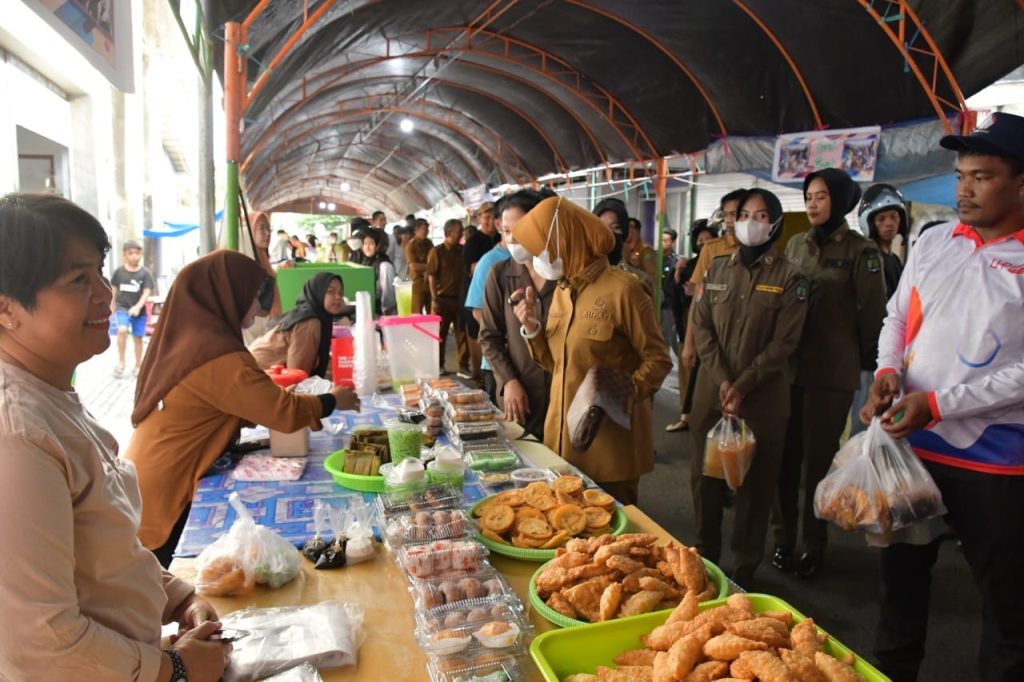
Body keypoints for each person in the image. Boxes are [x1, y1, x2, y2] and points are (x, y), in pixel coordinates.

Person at [0, 193, 230, 681]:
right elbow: (41, 642)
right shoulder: (16, 436)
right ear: (6, 310)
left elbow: (108, 553)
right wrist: (176, 669)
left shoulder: (52, 397)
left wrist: (180, 598)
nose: (106, 293)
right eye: (77, 280)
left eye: (100, 273)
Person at [863, 112, 1024, 682]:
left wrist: (939, 403)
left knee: (1006, 604)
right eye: (960, 175)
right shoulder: (934, 243)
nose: (963, 188)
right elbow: (896, 317)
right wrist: (887, 369)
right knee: (900, 585)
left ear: (1022, 183)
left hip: (998, 462)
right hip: (914, 451)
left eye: (981, 176)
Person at [125, 251, 360, 567]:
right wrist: (332, 400)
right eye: (252, 294)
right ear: (226, 294)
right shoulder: (215, 355)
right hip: (164, 491)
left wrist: (287, 404)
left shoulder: (193, 342)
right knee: (160, 588)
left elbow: (238, 404)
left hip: (149, 478)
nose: (258, 305)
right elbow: (283, 413)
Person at [512, 196, 672, 505]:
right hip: (560, 447)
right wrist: (532, 329)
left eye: (544, 248)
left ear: (567, 241)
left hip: (609, 451)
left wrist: (617, 396)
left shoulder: (624, 289)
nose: (538, 260)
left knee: (609, 542)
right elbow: (556, 365)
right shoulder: (562, 291)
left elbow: (658, 358)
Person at [770, 168, 887, 578]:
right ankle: (782, 539)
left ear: (840, 200)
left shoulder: (861, 251)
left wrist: (872, 368)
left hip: (832, 374)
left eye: (821, 196)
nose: (813, 203)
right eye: (809, 196)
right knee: (785, 458)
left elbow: (874, 315)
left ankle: (812, 545)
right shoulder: (795, 245)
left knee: (817, 463)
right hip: (789, 371)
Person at [688, 189, 808, 586]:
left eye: (760, 215)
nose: (749, 222)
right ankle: (703, 558)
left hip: (764, 399)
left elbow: (785, 344)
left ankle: (743, 568)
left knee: (756, 486)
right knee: (705, 478)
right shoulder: (717, 269)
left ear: (774, 224)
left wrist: (742, 384)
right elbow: (702, 326)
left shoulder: (791, 277)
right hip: (712, 392)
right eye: (743, 214)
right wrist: (724, 380)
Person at [480, 189, 557, 438]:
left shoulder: (563, 276)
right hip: (519, 396)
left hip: (560, 393)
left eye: (519, 230)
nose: (512, 239)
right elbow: (489, 337)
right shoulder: (500, 274)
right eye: (506, 231)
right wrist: (509, 381)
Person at [668, 189, 747, 431]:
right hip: (712, 338)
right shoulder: (712, 249)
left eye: (738, 214)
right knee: (705, 413)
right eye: (728, 214)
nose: (732, 220)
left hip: (745, 340)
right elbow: (698, 298)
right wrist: (690, 342)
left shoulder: (761, 251)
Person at [848, 184, 911, 436]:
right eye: (881, 218)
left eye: (894, 217)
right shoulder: (867, 257)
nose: (889, 224)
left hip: (888, 356)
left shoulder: (894, 260)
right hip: (868, 357)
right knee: (863, 425)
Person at [248, 272, 345, 377]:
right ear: (317, 292)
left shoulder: (308, 315)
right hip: (253, 378)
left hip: (254, 374)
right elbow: (297, 377)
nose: (338, 297)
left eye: (340, 293)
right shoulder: (309, 323)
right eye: (330, 292)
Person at [465, 204, 511, 401]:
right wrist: (505, 338)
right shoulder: (490, 261)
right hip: (498, 360)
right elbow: (477, 310)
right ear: (500, 225)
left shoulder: (536, 260)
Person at [462, 202, 499, 381]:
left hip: (496, 294)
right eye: (487, 217)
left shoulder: (499, 238)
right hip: (475, 293)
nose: (491, 222)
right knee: (477, 333)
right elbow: (471, 269)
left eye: (494, 217)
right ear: (479, 218)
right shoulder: (474, 241)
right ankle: (479, 375)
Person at [427, 219, 469, 374]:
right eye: (459, 231)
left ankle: (463, 365)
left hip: (460, 298)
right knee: (440, 334)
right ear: (449, 232)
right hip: (442, 299)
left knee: (462, 333)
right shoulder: (437, 252)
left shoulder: (463, 251)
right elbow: (431, 276)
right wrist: (434, 298)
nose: (461, 234)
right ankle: (439, 364)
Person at [110, 239, 155, 377]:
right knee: (122, 331)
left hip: (139, 312)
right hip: (122, 308)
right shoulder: (119, 273)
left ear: (141, 254)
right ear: (124, 255)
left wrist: (138, 306)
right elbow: (114, 290)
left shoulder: (145, 274)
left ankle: (138, 365)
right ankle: (121, 362)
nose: (134, 256)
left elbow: (147, 292)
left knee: (138, 338)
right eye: (130, 253)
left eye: (137, 253)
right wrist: (112, 307)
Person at [359, 229, 397, 315]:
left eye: (371, 244)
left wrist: (385, 313)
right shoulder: (366, 261)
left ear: (379, 245)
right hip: (368, 310)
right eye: (365, 243)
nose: (367, 247)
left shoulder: (385, 266)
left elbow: (389, 296)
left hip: (380, 313)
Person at [406, 217, 433, 314]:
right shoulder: (411, 245)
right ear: (416, 230)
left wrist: (427, 267)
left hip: (429, 283)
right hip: (417, 283)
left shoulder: (429, 243)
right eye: (424, 229)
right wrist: (429, 267)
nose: (426, 232)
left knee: (432, 312)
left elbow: (434, 260)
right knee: (416, 313)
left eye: (427, 229)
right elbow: (413, 266)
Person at [659, 228, 680, 354]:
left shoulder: (675, 261)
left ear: (672, 243)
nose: (662, 243)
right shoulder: (652, 257)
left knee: (665, 336)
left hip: (667, 304)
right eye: (661, 240)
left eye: (666, 240)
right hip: (652, 302)